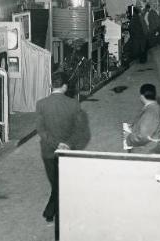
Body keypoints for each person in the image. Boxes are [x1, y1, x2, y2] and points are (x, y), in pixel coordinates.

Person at [36, 72, 89, 224]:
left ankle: (51, 211)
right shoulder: (73, 104)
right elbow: (80, 130)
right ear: (65, 86)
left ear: (51, 85)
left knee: (56, 182)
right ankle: (55, 211)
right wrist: (67, 144)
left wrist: (55, 144)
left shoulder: (41, 103)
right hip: (67, 152)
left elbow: (41, 130)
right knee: (61, 182)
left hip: (48, 151)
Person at [124, 84, 160, 154]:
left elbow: (143, 137)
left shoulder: (150, 114)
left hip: (148, 148)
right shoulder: (156, 107)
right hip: (154, 139)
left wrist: (128, 139)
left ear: (142, 97)